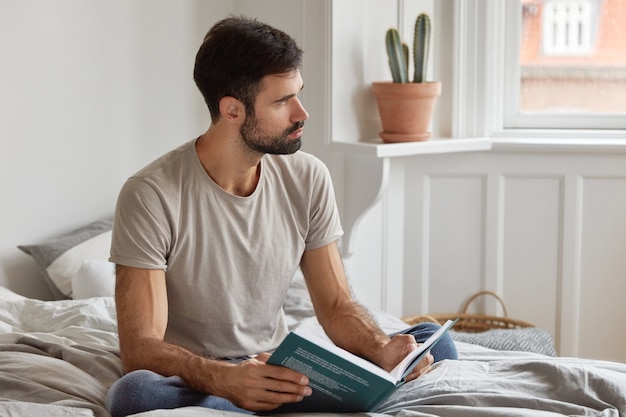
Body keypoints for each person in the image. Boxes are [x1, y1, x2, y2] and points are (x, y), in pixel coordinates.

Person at [105, 15, 457, 417]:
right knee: (134, 395)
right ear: (232, 110)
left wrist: (380, 348)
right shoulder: (151, 194)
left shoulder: (307, 176)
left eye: (298, 94)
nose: (301, 113)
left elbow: (337, 306)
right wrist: (226, 379)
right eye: (282, 101)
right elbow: (139, 348)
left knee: (433, 342)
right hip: (200, 379)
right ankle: (238, 404)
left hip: (279, 369)